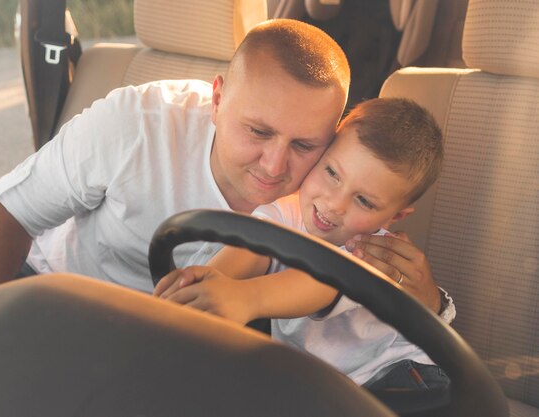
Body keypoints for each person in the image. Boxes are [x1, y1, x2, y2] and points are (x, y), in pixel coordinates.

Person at [0, 19, 443, 319]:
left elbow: (338, 286)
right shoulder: (137, 122)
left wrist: (427, 299)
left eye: (305, 143)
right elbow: (9, 209)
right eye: (257, 132)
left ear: (335, 133)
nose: (276, 165)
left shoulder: (334, 191)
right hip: (46, 273)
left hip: (152, 335)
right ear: (217, 100)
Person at [154, 97, 455, 390]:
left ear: (395, 216)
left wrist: (244, 298)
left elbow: (326, 282)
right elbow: (253, 247)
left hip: (396, 377)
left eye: (364, 201)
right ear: (320, 155)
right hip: (316, 379)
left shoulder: (373, 251)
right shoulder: (287, 209)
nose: (334, 204)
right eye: (332, 173)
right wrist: (206, 287)